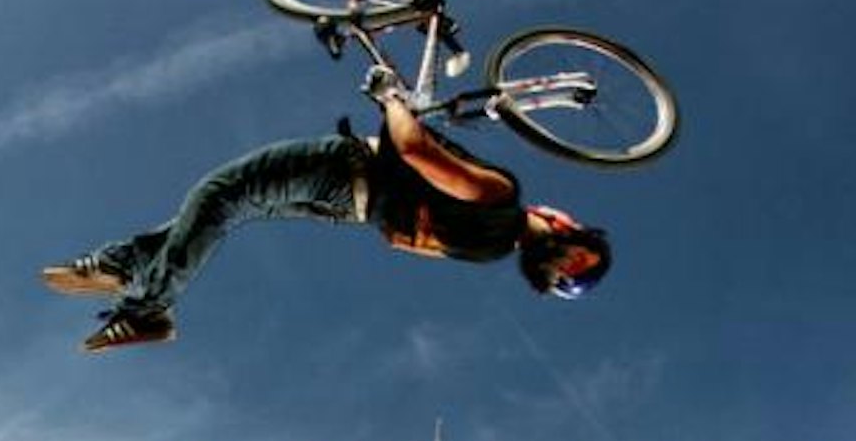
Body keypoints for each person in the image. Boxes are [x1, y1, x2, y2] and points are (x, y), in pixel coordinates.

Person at [42, 88, 611, 351]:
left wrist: (392, 100)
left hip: (343, 172)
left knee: (217, 194)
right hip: (348, 210)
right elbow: (403, 243)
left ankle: (149, 307)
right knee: (221, 209)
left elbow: (414, 150)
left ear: (564, 232)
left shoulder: (500, 196)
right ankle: (122, 263)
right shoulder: (489, 253)